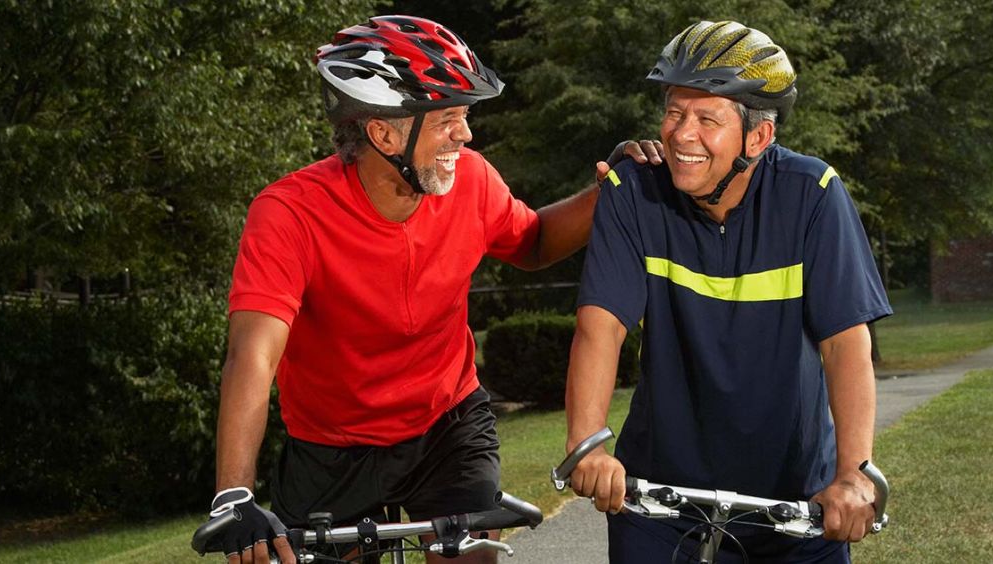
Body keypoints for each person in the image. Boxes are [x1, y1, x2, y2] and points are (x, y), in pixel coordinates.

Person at [203, 15, 660, 564]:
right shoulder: (288, 214)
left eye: (464, 118)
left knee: (470, 558)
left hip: (448, 429)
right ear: (384, 133)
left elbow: (533, 244)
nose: (465, 135)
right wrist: (234, 494)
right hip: (331, 446)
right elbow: (252, 355)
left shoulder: (469, 178)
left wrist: (610, 191)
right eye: (448, 120)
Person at [564, 20, 893, 563]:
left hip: (795, 498)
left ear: (758, 137)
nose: (680, 134)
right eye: (673, 112)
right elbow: (601, 326)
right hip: (660, 501)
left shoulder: (813, 196)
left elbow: (844, 345)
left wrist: (854, 476)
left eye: (706, 119)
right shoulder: (631, 193)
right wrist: (589, 442)